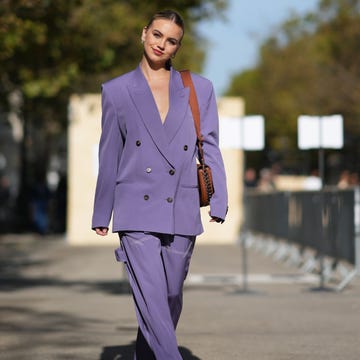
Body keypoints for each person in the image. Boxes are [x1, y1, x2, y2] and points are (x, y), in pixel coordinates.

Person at [91, 10, 228, 360]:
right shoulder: (117, 91)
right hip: (136, 207)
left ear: (177, 47)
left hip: (181, 205)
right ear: (143, 34)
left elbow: (209, 144)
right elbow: (110, 154)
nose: (161, 44)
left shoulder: (198, 88)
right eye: (156, 35)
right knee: (152, 297)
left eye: (170, 41)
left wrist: (219, 198)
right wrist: (101, 211)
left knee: (167, 299)